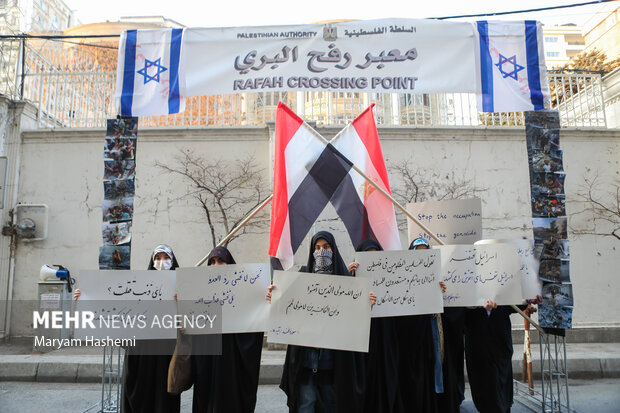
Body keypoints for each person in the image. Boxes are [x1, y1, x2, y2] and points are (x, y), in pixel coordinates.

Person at [267, 231, 376, 413]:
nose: (321, 252)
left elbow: (354, 319)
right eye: (317, 248)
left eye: (326, 247)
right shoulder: (301, 277)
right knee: (305, 407)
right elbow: (287, 309)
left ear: (333, 249)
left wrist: (367, 305)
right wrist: (275, 297)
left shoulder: (345, 281)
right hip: (305, 365)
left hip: (333, 366)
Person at [74, 244, 181, 413]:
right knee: (138, 394)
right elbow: (116, 304)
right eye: (158, 258)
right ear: (152, 262)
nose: (162, 262)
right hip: (140, 352)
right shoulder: (138, 286)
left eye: (166, 258)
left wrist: (181, 302)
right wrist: (85, 298)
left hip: (167, 352)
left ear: (173, 261)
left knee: (164, 399)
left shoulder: (182, 287)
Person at [191, 246, 263, 413]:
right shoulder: (200, 291)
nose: (216, 265)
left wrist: (264, 302)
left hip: (232, 360)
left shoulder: (244, 290)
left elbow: (253, 323)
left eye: (221, 261)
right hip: (208, 359)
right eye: (212, 262)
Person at [348, 239, 401, 413]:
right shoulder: (352, 276)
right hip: (363, 344)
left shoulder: (391, 277)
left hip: (385, 338)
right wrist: (350, 277)